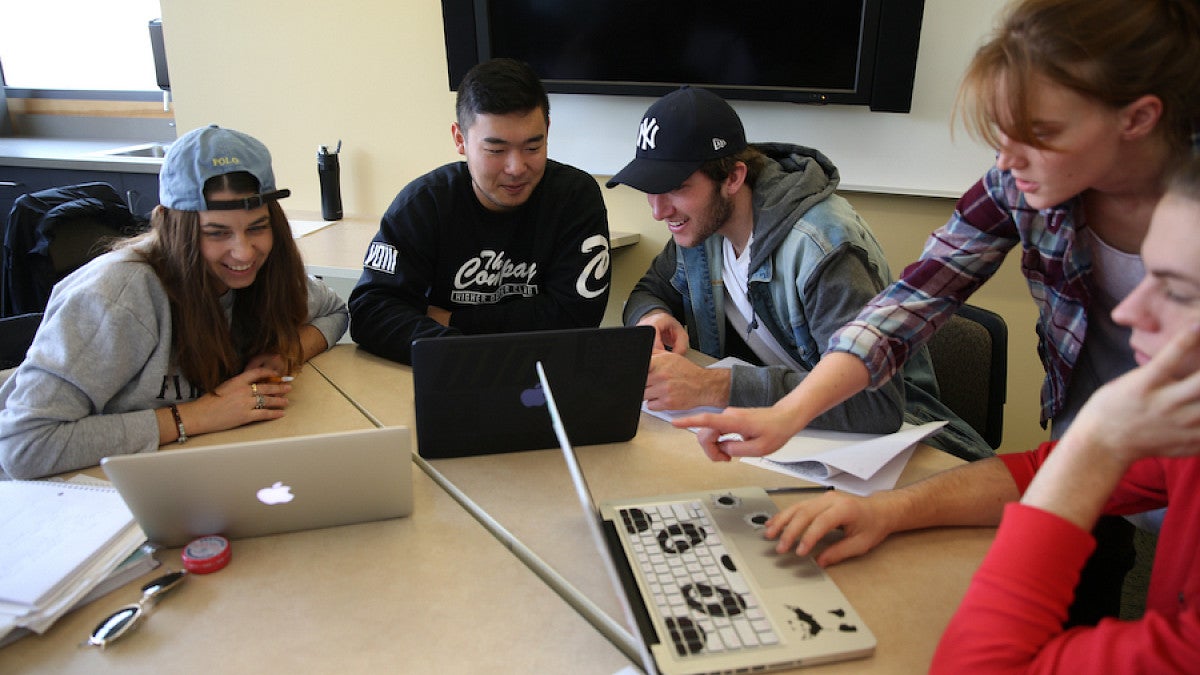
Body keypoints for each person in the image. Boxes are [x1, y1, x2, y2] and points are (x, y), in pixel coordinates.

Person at [676, 0, 1200, 625]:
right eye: (1001, 134)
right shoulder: (1021, 180)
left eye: (1042, 134)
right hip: (1099, 440)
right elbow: (911, 303)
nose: (1005, 161)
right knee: (1094, 595)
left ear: (1138, 119)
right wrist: (789, 413)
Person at [762, 157, 1200, 672]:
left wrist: (1097, 440)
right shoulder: (1183, 444)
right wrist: (889, 510)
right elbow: (1035, 473)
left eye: (1177, 290)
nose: (1126, 312)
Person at [606, 85, 991, 461]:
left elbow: (875, 406)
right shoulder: (703, 227)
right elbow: (650, 290)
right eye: (649, 190)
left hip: (897, 445)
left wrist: (713, 385)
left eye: (675, 188)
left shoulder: (824, 246)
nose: (658, 212)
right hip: (786, 441)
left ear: (733, 178)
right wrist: (653, 317)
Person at [0, 125, 349, 480]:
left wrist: (285, 350)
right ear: (171, 226)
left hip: (197, 470)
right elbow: (24, 445)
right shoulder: (117, 297)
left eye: (257, 227)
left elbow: (335, 313)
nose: (244, 252)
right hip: (78, 496)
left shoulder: (268, 271)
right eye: (216, 233)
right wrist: (198, 416)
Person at [348, 58, 612, 364]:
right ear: (460, 140)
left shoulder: (575, 197)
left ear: (547, 131)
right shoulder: (423, 204)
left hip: (546, 374)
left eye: (532, 147)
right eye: (496, 151)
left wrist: (452, 321)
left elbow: (576, 317)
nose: (516, 168)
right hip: (450, 373)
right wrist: (463, 351)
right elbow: (371, 311)